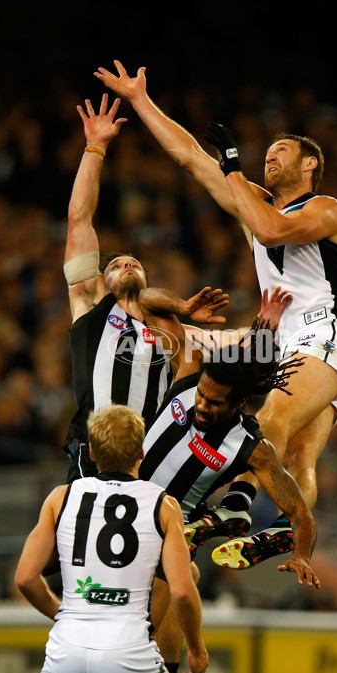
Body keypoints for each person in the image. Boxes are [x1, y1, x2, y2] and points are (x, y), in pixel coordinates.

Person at [94, 61, 337, 565]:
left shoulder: (328, 208)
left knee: (273, 419)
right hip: (277, 339)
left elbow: (269, 230)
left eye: (282, 151)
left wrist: (235, 167)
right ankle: (289, 531)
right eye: (268, 152)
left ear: (309, 166)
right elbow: (190, 157)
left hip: (324, 335)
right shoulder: (252, 201)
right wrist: (139, 100)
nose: (271, 156)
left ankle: (236, 507)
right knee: (297, 451)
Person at [106, 289, 320, 673]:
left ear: (240, 402)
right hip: (120, 501)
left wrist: (302, 552)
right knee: (174, 585)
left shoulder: (251, 446)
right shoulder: (188, 381)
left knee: (184, 577)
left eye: (215, 402)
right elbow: (149, 305)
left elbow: (303, 514)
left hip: (168, 526)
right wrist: (247, 324)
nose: (202, 405)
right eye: (201, 394)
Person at [8, 404, 209, 673]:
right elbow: (183, 590)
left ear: (93, 453)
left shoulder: (60, 498)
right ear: (142, 453)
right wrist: (197, 650)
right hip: (129, 649)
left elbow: (25, 578)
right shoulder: (163, 505)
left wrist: (62, 613)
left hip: (69, 644)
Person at [64, 94, 230, 483]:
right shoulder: (90, 308)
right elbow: (79, 219)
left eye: (134, 263)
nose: (125, 262)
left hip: (150, 465)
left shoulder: (166, 330)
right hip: (93, 459)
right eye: (116, 264)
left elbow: (208, 363)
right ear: (100, 283)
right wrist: (95, 147)